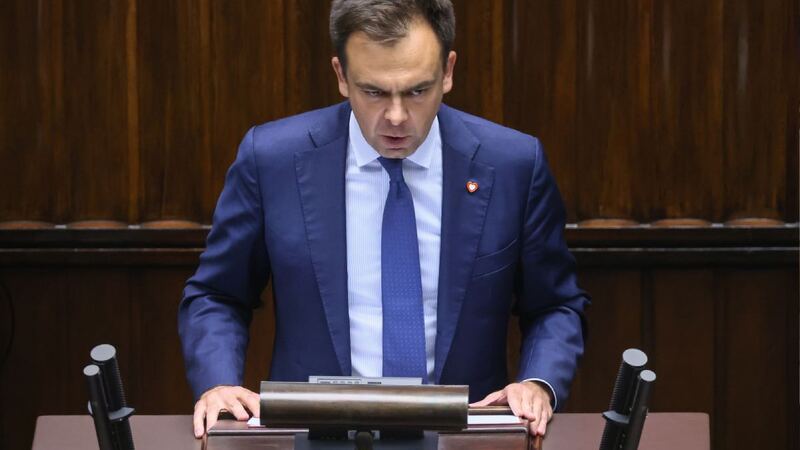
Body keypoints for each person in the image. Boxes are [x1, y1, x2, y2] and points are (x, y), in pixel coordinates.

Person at [179, 0, 589, 439]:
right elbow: (218, 294)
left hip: (465, 437)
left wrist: (536, 383)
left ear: (448, 72)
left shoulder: (512, 165)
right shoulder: (273, 160)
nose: (396, 117)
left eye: (417, 91)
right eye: (374, 92)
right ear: (341, 75)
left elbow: (555, 305)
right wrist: (219, 384)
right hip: (315, 436)